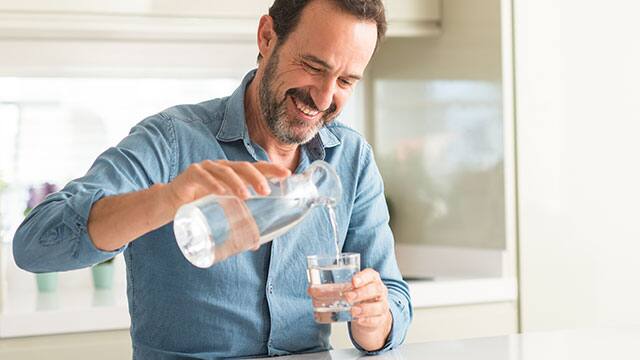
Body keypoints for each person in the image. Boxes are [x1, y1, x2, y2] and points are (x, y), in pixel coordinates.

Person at [12, 0, 413, 358]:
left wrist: (374, 321)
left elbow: (393, 295)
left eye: (345, 82)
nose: (325, 99)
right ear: (267, 37)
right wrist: (168, 199)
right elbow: (35, 245)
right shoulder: (171, 140)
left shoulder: (351, 157)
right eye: (313, 67)